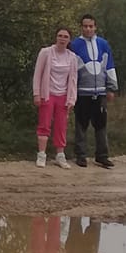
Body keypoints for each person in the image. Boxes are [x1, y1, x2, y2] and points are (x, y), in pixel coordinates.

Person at [70, 15, 119, 169]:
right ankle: (81, 155)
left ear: (95, 27)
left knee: (101, 125)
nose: (88, 29)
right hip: (82, 92)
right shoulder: (74, 45)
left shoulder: (103, 44)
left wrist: (111, 87)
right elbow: (70, 69)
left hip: (100, 92)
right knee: (81, 125)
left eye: (91, 26)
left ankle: (102, 156)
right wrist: (71, 91)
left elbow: (109, 66)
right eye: (85, 26)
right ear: (81, 27)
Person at [32, 26, 78, 168]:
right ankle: (41, 154)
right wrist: (36, 93)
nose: (62, 39)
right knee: (44, 124)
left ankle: (60, 155)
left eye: (65, 37)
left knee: (61, 126)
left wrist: (72, 99)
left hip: (63, 95)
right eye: (60, 36)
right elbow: (38, 74)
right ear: (56, 37)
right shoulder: (46, 53)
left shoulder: (72, 57)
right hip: (47, 94)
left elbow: (73, 79)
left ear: (69, 40)